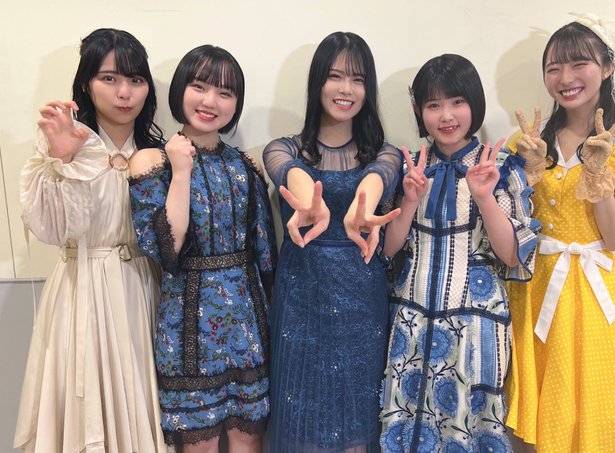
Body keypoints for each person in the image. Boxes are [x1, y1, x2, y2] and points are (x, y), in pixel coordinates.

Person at [506, 14, 615, 452]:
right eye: (553, 68)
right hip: (534, 287)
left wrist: (598, 176)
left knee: (599, 415)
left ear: (607, 66)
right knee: (534, 423)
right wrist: (525, 174)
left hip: (591, 291)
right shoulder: (528, 141)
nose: (565, 79)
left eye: (578, 64)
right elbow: (513, 223)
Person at [379, 54, 540, 453]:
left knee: (468, 427)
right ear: (419, 111)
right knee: (408, 424)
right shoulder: (411, 166)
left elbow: (513, 256)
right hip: (412, 318)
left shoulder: (500, 167)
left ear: (474, 103)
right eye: (433, 105)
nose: (446, 115)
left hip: (476, 324)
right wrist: (410, 200)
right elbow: (388, 249)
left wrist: (484, 196)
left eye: (457, 102)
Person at [15, 28, 166, 452]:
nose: (124, 93)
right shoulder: (64, 143)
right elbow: (54, 228)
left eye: (136, 80)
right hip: (81, 290)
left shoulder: (159, 152)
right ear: (86, 83)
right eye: (109, 78)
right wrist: (64, 158)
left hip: (142, 290)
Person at [128, 45, 276, 453]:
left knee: (249, 441)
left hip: (248, 326)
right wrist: (181, 171)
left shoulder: (247, 166)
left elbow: (266, 255)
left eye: (225, 93)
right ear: (180, 89)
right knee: (199, 446)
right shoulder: (152, 162)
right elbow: (167, 250)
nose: (211, 101)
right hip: (186, 330)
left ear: (236, 104)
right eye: (199, 86)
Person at [263, 31, 401, 452]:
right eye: (335, 76)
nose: (346, 89)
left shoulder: (387, 154)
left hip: (362, 301)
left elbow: (378, 178)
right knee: (300, 418)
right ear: (318, 82)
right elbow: (291, 172)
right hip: (301, 298)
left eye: (358, 79)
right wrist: (311, 203)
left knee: (356, 420)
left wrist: (363, 203)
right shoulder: (282, 148)